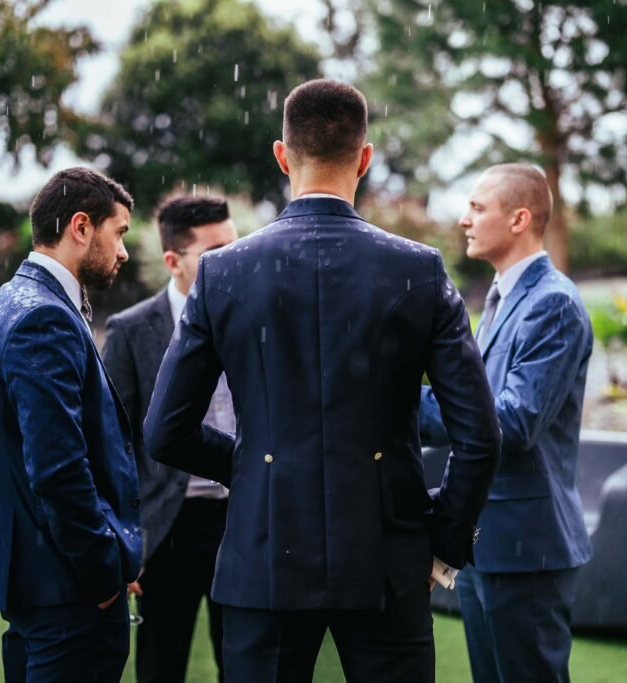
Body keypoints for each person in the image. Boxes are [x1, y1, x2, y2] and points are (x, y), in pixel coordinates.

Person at [143, 79, 500, 683]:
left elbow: (165, 432)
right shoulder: (417, 268)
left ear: (282, 156)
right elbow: (480, 436)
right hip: (388, 557)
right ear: (365, 157)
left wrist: (254, 467)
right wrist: (439, 537)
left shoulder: (224, 272)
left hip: (265, 553)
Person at [0, 167, 143, 683]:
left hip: (37, 589)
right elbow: (58, 467)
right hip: (68, 597)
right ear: (81, 227)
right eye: (119, 232)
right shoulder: (44, 316)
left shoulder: (3, 304)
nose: (124, 252)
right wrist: (104, 567)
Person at [419, 163, 594, 683]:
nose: (463, 220)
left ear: (519, 219)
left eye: (476, 207)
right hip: (485, 542)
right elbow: (478, 402)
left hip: (528, 548)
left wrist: (402, 411)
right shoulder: (499, 300)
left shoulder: (553, 304)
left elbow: (514, 422)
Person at [102, 195, 238, 683]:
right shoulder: (131, 329)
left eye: (235, 245)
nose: (232, 259)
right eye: (215, 251)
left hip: (243, 520)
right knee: (161, 666)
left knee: (248, 664)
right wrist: (124, 539)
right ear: (172, 261)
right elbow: (110, 442)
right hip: (166, 527)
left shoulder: (256, 319)